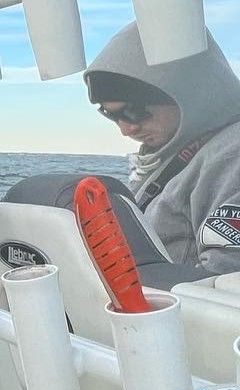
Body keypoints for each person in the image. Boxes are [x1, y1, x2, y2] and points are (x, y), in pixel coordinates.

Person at [84, 22, 240, 274]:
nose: (125, 129)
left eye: (135, 111)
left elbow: (224, 283)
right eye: (110, 114)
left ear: (192, 93)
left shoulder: (232, 155)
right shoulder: (176, 152)